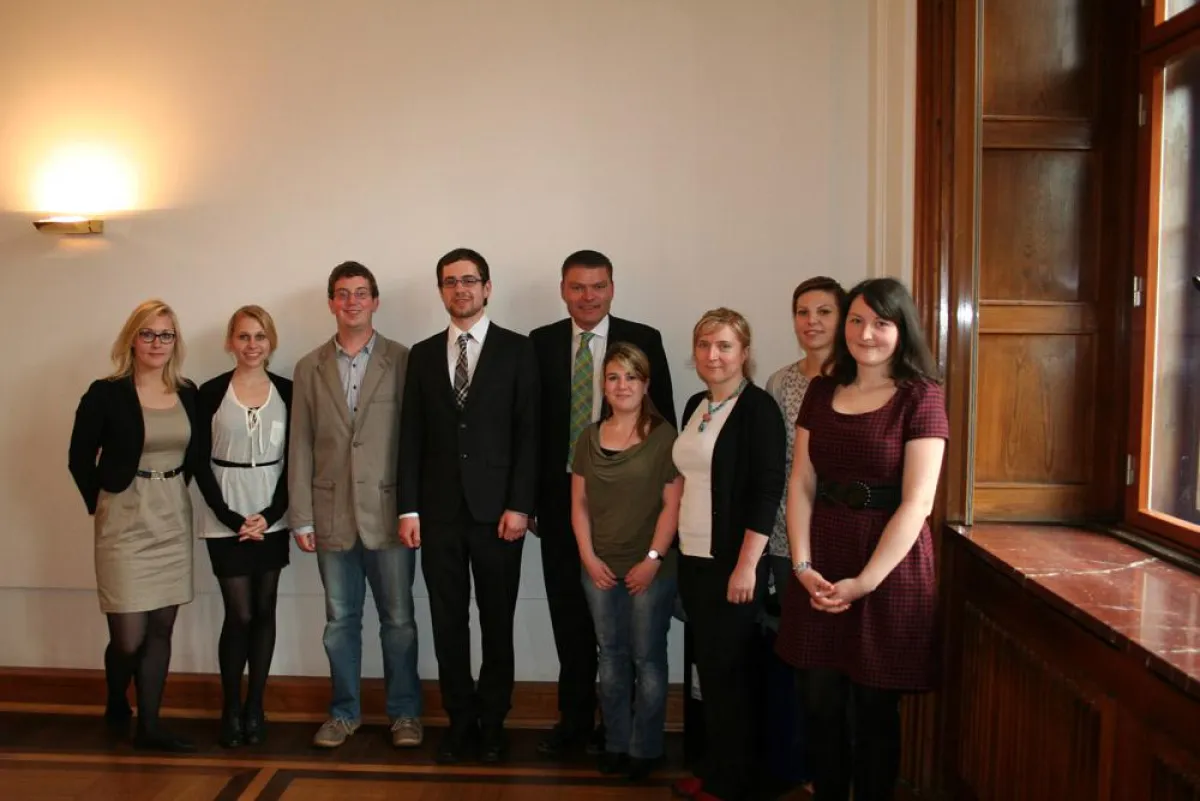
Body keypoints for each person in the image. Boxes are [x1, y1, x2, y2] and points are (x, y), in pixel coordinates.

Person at [776, 278, 948, 801]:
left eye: (880, 322)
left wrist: (863, 583)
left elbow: (917, 503)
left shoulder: (922, 397)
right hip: (821, 556)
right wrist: (803, 568)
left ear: (902, 330)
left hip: (888, 565)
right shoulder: (823, 391)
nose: (865, 333)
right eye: (856, 320)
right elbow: (801, 481)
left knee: (874, 707)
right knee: (819, 700)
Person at [529, 248, 676, 757]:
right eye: (577, 286)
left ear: (612, 288)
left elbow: (665, 431)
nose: (587, 296)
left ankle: (629, 735)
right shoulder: (541, 343)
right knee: (571, 624)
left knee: (632, 639)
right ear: (563, 289)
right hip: (562, 509)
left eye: (598, 286)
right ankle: (574, 723)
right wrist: (526, 504)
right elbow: (531, 432)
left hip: (633, 518)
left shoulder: (645, 340)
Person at [398, 247, 539, 765]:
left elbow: (529, 435)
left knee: (497, 623)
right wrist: (408, 509)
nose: (461, 289)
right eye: (450, 282)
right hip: (437, 517)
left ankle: (494, 721)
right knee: (447, 623)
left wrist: (520, 505)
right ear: (441, 291)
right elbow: (410, 436)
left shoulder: (517, 350)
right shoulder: (421, 353)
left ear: (487, 287)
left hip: (499, 516)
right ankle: (460, 721)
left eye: (470, 280)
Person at [288, 261, 422, 750]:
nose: (352, 302)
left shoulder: (404, 360)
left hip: (390, 516)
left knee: (400, 623)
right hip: (331, 516)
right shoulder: (308, 367)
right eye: (342, 294)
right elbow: (300, 445)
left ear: (375, 301)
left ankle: (405, 714)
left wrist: (414, 509)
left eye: (361, 293)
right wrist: (300, 514)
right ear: (330, 303)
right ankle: (343, 713)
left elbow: (415, 442)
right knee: (339, 622)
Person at [68, 299, 200, 753]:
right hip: (123, 518)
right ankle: (114, 697)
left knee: (160, 628)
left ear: (175, 342)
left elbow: (196, 457)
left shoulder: (188, 392)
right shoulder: (105, 393)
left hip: (171, 516)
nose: (157, 343)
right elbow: (78, 458)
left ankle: (151, 726)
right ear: (132, 338)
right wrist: (99, 503)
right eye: (148, 333)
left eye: (166, 334)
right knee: (128, 636)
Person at [672, 308, 787, 801]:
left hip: (732, 562)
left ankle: (735, 780)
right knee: (710, 671)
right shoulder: (697, 404)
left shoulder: (759, 409)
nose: (712, 356)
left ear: (744, 353)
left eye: (723, 346)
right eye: (704, 346)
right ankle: (715, 765)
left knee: (733, 673)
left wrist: (747, 566)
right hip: (693, 557)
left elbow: (767, 492)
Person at [571, 343, 681, 781]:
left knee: (647, 658)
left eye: (631, 377)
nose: (622, 385)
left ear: (645, 384)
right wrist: (588, 558)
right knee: (610, 657)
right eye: (614, 377)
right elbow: (578, 504)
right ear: (603, 383)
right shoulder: (588, 436)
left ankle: (646, 748)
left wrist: (652, 559)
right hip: (599, 569)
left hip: (649, 572)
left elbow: (672, 506)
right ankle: (616, 743)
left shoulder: (663, 436)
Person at [193, 305, 293, 748]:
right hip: (225, 516)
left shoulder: (289, 390)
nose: (252, 345)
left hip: (272, 513)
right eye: (244, 336)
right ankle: (229, 707)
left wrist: (269, 516)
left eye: (260, 337)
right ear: (230, 342)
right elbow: (197, 462)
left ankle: (256, 705)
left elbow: (299, 460)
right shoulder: (211, 391)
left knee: (265, 610)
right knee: (240, 614)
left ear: (271, 342)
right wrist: (232, 519)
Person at [764, 277, 845, 595]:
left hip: (841, 527)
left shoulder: (856, 382)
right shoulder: (780, 382)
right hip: (787, 535)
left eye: (824, 312)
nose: (812, 321)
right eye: (802, 312)